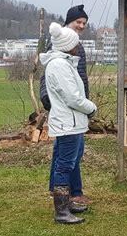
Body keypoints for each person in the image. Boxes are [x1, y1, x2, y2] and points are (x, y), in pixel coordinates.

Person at [40, 22, 97, 224]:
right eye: (76, 43)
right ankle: (61, 211)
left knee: (71, 162)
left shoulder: (64, 62)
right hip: (68, 124)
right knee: (64, 165)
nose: (78, 46)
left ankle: (68, 202)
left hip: (73, 122)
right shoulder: (59, 65)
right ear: (66, 45)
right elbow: (73, 98)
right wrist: (91, 108)